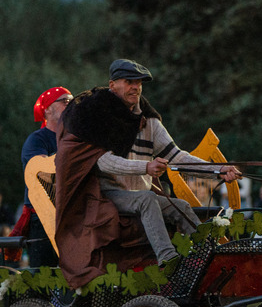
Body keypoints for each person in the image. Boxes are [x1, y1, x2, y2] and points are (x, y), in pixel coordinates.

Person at [58, 59, 240, 284]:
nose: (136, 87)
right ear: (113, 85)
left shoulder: (149, 121)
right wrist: (146, 167)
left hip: (139, 191)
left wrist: (217, 170)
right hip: (108, 194)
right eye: (129, 81)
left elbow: (178, 156)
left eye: (139, 83)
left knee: (181, 206)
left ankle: (210, 256)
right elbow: (103, 163)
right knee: (147, 199)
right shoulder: (100, 116)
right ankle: (168, 260)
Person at [14, 86, 73, 268]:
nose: (70, 105)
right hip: (42, 216)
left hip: (71, 215)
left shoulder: (75, 138)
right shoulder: (37, 140)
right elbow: (40, 171)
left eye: (71, 101)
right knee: (44, 276)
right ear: (47, 109)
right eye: (64, 101)